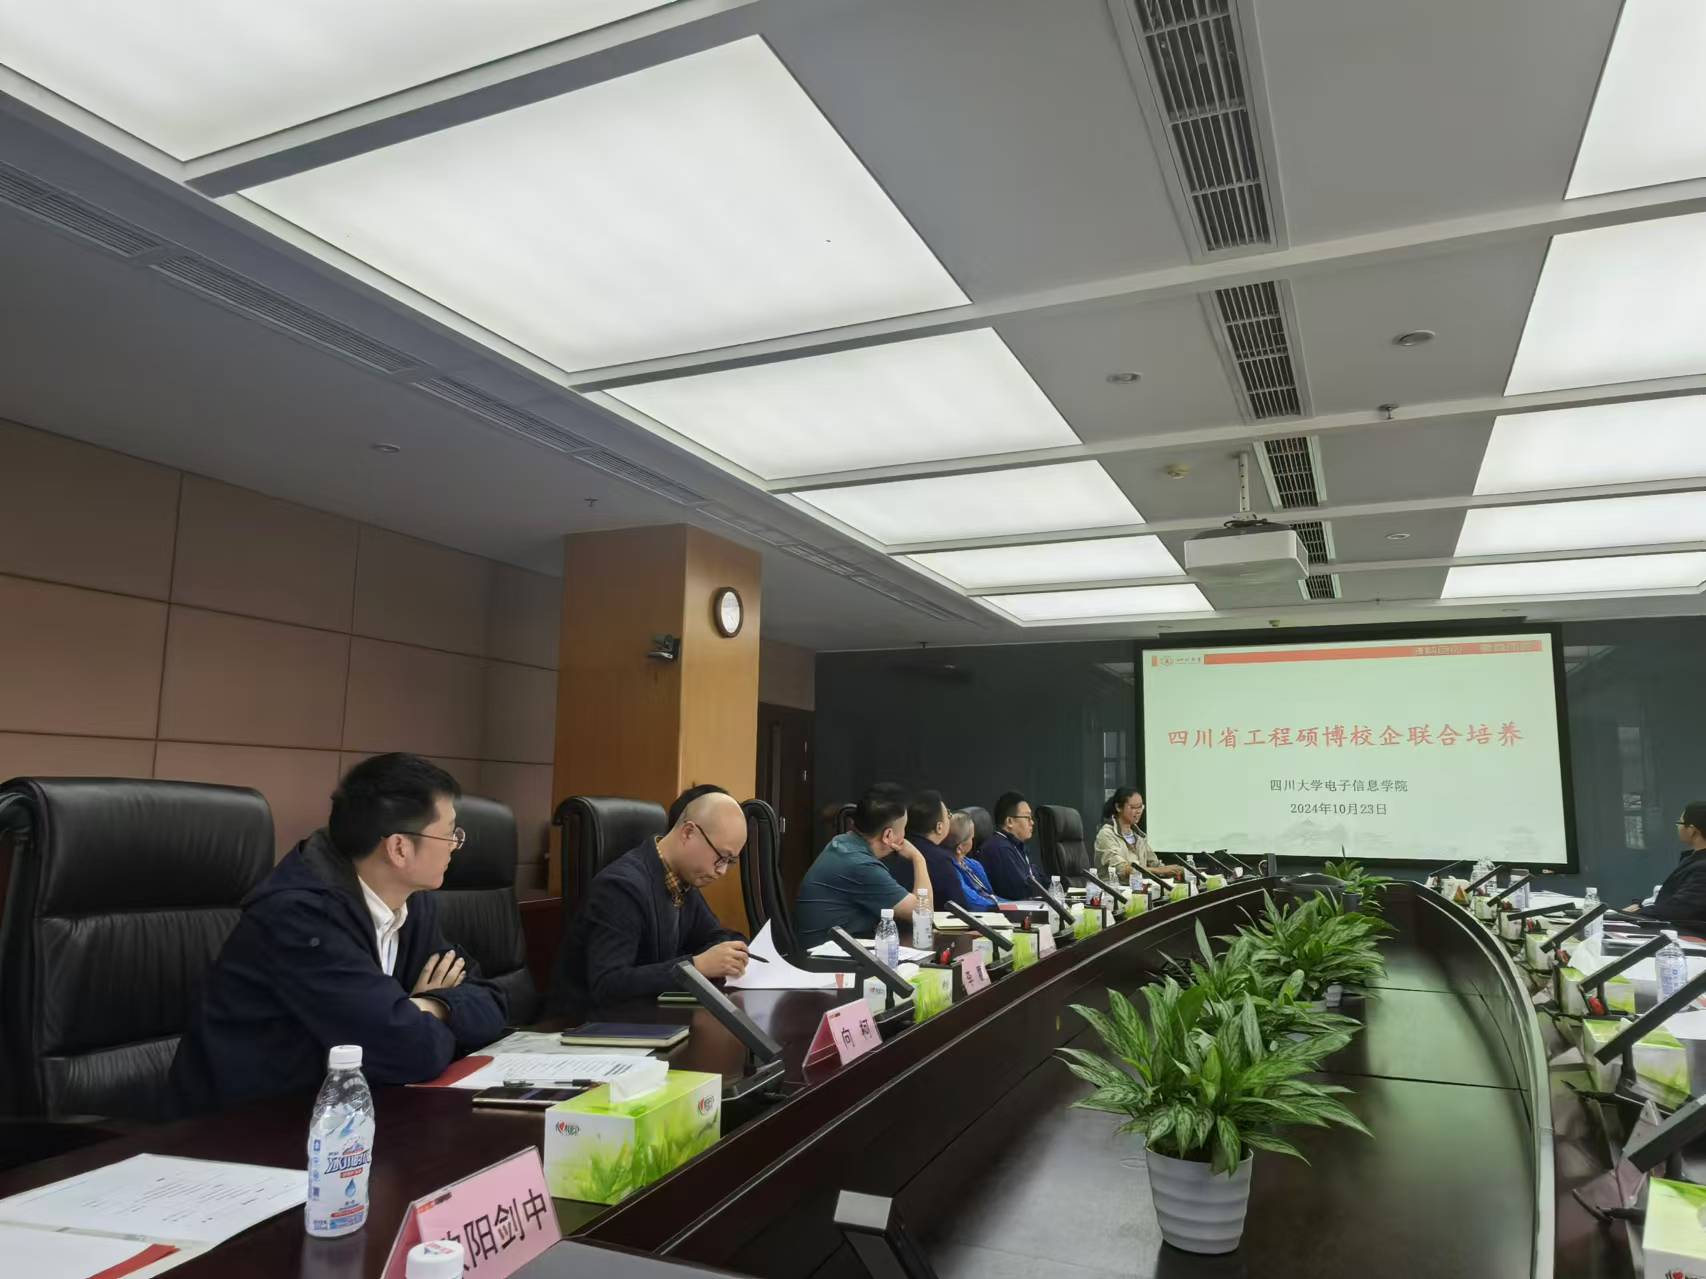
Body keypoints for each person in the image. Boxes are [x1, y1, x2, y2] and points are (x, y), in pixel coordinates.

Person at [170, 754, 507, 1114]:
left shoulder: (411, 904)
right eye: (449, 833)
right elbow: (411, 1052)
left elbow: (492, 1003)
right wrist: (415, 1021)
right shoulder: (299, 917)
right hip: (240, 1127)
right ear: (399, 848)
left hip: (344, 1113)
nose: (455, 844)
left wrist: (427, 1006)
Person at [548, 789, 750, 1017]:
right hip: (586, 1024)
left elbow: (715, 936)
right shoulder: (620, 887)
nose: (722, 870)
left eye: (730, 861)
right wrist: (696, 966)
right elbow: (608, 984)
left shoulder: (682, 878)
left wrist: (728, 953)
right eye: (720, 857)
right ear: (688, 833)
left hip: (648, 1016)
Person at [795, 784, 935, 948]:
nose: (905, 835)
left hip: (836, 948)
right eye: (904, 828)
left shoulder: (842, 843)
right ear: (888, 835)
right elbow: (923, 913)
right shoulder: (860, 865)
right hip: (828, 957)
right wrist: (918, 858)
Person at [886, 789, 971, 913]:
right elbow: (960, 908)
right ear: (939, 827)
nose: (950, 819)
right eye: (948, 815)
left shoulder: (891, 847)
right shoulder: (941, 860)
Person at [1625, 801, 1706, 928]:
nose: (1677, 826)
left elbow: (1676, 909)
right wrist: (1640, 905)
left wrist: (1630, 914)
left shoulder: (1702, 868)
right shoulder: (1692, 858)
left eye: (1680, 822)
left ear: (1692, 830)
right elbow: (1672, 896)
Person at [1094, 789, 1184, 882]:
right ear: (1118, 807)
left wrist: (1175, 870)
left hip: (1139, 888)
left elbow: (1156, 865)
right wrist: (1158, 870)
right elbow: (1122, 869)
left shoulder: (1139, 836)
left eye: (1140, 807)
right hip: (1115, 889)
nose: (1138, 811)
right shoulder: (1106, 834)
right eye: (1133, 807)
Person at [978, 791, 1041, 900]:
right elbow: (1019, 891)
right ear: (1010, 821)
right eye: (1027, 817)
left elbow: (1038, 879)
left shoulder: (1017, 846)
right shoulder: (999, 849)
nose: (1032, 822)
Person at [947, 811, 1001, 910]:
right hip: (984, 912)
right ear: (959, 848)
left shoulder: (974, 865)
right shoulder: (950, 870)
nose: (973, 840)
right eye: (971, 838)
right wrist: (1002, 907)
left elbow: (991, 894)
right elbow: (972, 902)